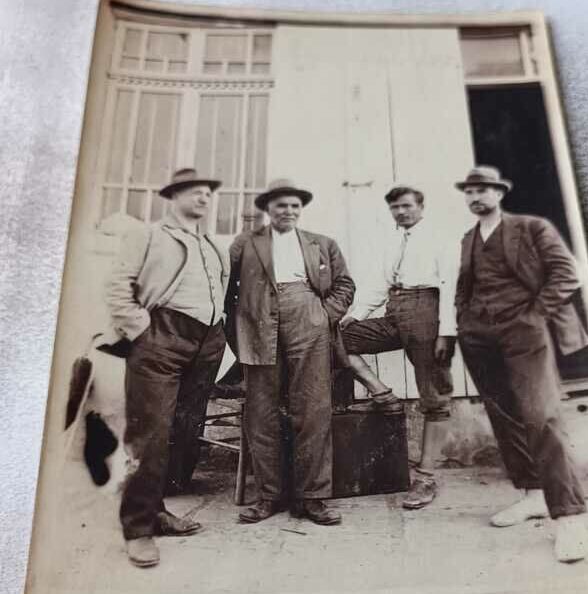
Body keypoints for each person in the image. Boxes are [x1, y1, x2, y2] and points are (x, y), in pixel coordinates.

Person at [454, 166, 588, 563]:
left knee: (541, 415)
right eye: (469, 191)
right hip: (479, 336)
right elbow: (467, 286)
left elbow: (568, 274)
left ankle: (570, 518)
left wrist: (535, 314)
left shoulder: (531, 227)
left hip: (523, 331)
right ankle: (532, 494)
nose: (475, 196)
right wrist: (464, 320)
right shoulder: (468, 238)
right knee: (505, 417)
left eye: (483, 190)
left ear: (499, 193)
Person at [106, 167, 229, 567]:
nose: (203, 199)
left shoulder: (211, 243)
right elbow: (118, 285)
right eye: (194, 192)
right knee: (151, 433)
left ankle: (157, 510)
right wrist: (141, 329)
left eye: (207, 193)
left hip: (207, 340)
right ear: (173, 196)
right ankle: (138, 528)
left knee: (184, 428)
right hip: (162, 335)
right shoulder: (148, 234)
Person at [228, 179, 355, 526]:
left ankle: (313, 498)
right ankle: (268, 496)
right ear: (268, 208)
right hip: (257, 325)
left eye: (295, 206)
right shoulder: (245, 243)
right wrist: (239, 336)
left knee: (312, 407)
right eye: (282, 205)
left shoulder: (322, 244)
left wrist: (323, 316)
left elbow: (345, 284)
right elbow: (229, 293)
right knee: (261, 411)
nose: (289, 211)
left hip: (307, 321)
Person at [338, 185, 456, 509]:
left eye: (406, 206)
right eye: (395, 208)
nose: (401, 212)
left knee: (433, 396)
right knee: (337, 340)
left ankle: (426, 478)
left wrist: (447, 332)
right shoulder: (392, 241)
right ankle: (381, 392)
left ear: (421, 206)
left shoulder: (440, 238)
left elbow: (450, 285)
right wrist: (356, 315)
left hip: (428, 312)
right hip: (396, 310)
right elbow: (379, 282)